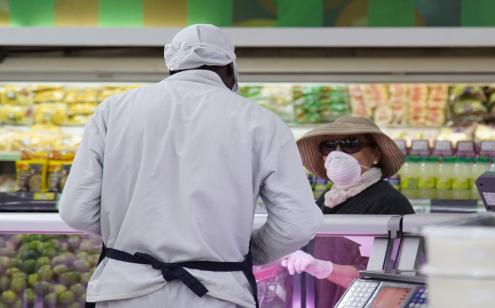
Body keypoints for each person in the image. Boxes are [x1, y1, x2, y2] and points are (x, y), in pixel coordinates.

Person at [59, 24, 323, 308]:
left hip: (123, 290)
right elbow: (298, 223)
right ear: (231, 68)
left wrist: (130, 231)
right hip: (218, 294)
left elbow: (75, 210)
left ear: (172, 66)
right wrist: (249, 251)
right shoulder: (263, 122)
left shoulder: (113, 110)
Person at [281, 116, 414, 308]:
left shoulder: (388, 203)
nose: (337, 153)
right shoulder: (330, 197)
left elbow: (383, 277)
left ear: (375, 154)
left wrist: (321, 267)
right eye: (328, 146)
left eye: (350, 144)